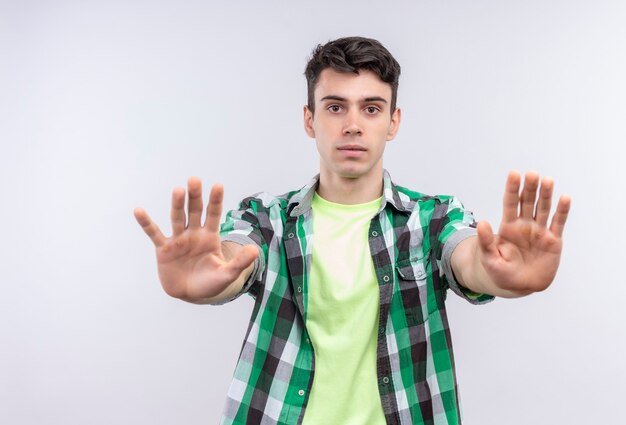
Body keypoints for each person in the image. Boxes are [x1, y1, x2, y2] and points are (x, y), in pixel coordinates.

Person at [134, 36, 571, 425]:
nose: (353, 125)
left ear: (393, 122)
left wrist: (497, 274)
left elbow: (467, 256)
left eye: (372, 108)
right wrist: (203, 281)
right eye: (335, 106)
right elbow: (232, 258)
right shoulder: (266, 217)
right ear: (309, 120)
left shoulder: (433, 217)